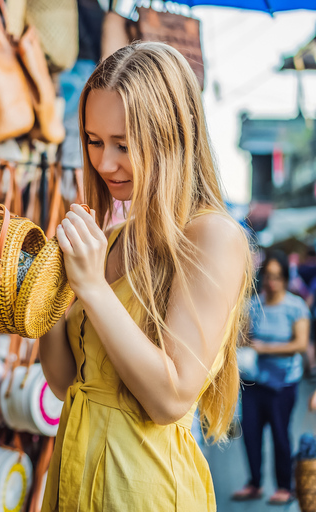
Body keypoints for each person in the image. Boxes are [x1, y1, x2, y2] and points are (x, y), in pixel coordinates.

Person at [39, 42, 253, 511]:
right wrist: (46, 291)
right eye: (94, 141)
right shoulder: (110, 238)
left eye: (124, 144)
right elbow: (64, 382)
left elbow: (170, 398)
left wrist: (93, 288)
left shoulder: (213, 235)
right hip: (71, 481)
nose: (104, 163)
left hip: (142, 490)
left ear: (171, 137)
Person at [232, 250, 310, 504]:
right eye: (268, 276)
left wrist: (265, 347)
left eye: (277, 276)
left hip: (283, 383)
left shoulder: (295, 306)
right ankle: (254, 483)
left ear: (286, 278)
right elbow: (242, 337)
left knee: (279, 433)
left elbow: (300, 344)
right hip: (255, 380)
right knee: (252, 434)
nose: (271, 282)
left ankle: (284, 487)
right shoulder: (253, 305)